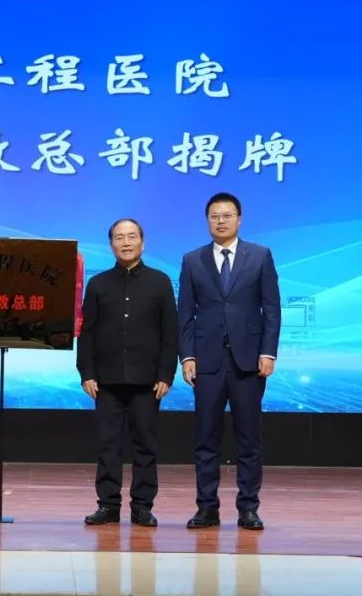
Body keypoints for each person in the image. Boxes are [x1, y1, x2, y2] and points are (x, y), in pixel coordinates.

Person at [178, 192, 280, 531]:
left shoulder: (260, 256)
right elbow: (185, 313)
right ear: (207, 220)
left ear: (239, 219)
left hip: (248, 362)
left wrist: (267, 352)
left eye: (227, 215)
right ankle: (207, 508)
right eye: (214, 216)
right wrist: (187, 355)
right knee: (205, 439)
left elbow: (271, 308)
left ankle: (248, 508)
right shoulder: (192, 260)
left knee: (249, 439)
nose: (220, 221)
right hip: (207, 362)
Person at [77, 219, 179, 527]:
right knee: (108, 444)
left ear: (143, 243)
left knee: (145, 445)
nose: (126, 242)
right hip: (106, 380)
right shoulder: (98, 284)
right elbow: (87, 332)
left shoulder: (160, 282)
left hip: (147, 380)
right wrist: (86, 372)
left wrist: (166, 374)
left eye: (132, 236)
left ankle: (142, 506)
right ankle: (108, 505)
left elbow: (170, 333)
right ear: (111, 245)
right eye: (119, 238)